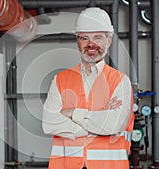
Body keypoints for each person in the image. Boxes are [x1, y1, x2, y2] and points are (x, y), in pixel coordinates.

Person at [42, 7, 134, 169]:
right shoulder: (60, 80)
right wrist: (98, 126)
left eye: (98, 37)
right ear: (78, 41)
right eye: (85, 38)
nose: (91, 44)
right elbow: (49, 124)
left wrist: (72, 113)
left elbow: (114, 125)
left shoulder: (120, 81)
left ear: (109, 40)